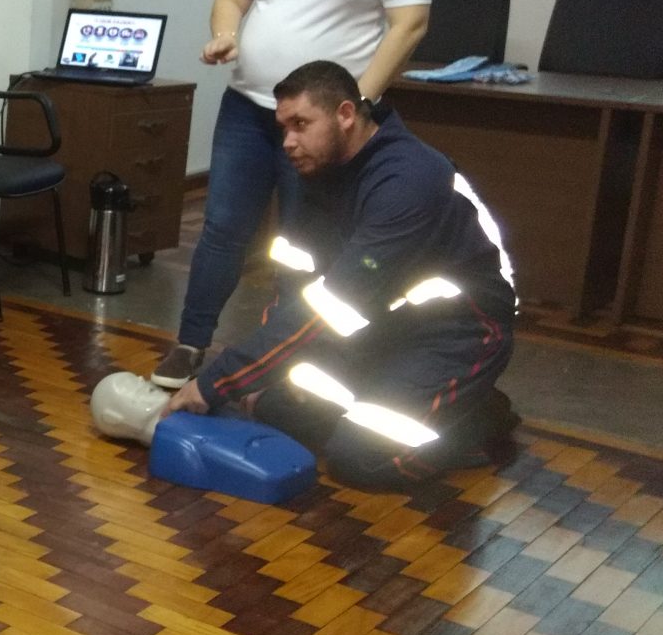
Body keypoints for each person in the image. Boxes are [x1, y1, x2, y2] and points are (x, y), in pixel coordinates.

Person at [153, 0, 434, 390]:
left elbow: (409, 24)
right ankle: (190, 343)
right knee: (222, 229)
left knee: (303, 245)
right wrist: (226, 34)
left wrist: (357, 106)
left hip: (323, 124)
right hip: (249, 108)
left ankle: (287, 357)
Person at [162, 60, 517, 490]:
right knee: (277, 408)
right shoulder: (320, 171)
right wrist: (265, 374)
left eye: (300, 125)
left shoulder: (409, 178)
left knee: (362, 459)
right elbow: (296, 283)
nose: (288, 143)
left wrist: (216, 382)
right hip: (381, 327)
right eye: (283, 128)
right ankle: (401, 395)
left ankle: (478, 417)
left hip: (457, 332)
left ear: (345, 114)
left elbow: (335, 302)